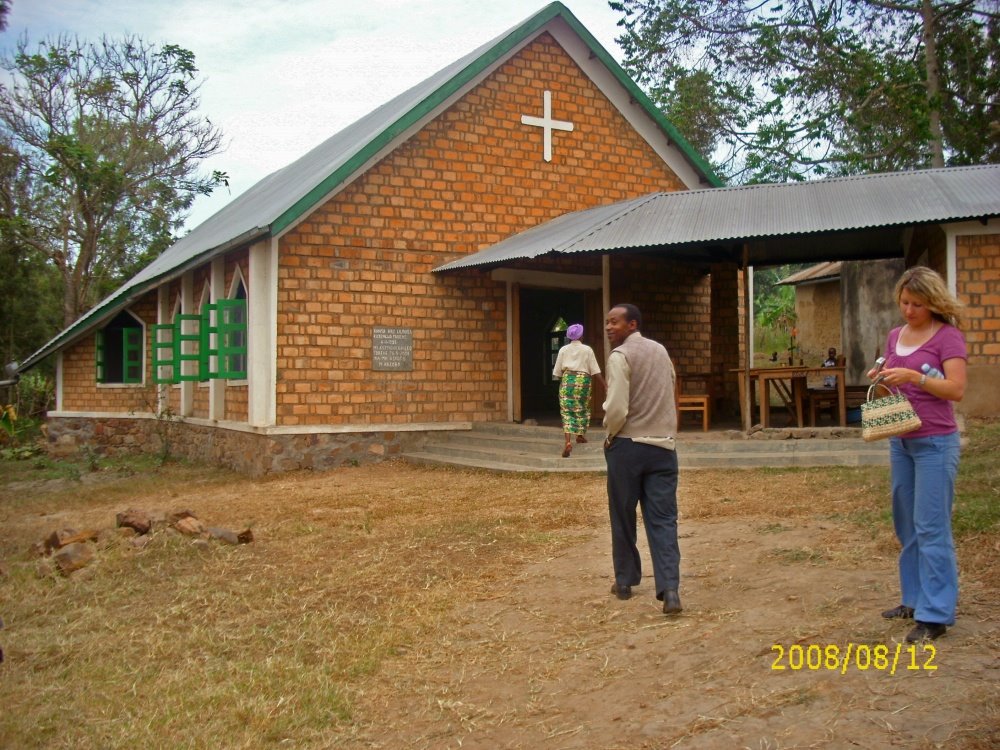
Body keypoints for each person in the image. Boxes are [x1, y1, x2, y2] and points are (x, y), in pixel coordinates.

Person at [866, 267, 967, 643]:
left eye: (917, 304)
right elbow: (887, 368)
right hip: (901, 438)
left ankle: (936, 613)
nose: (909, 311)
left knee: (931, 526)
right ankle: (913, 598)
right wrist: (880, 373)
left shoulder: (948, 338)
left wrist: (916, 378)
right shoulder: (896, 335)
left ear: (933, 302)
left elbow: (956, 389)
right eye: (905, 303)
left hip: (935, 443)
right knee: (906, 524)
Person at [602, 303, 682, 615]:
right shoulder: (661, 351)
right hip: (663, 447)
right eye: (607, 323)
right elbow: (670, 387)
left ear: (632, 324)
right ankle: (670, 589)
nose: (609, 327)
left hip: (627, 446)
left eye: (615, 322)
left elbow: (617, 407)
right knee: (663, 519)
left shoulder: (620, 356)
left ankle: (624, 581)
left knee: (623, 514)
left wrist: (610, 434)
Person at [551, 323, 605, 457]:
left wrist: (563, 383)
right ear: (581, 336)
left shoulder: (563, 349)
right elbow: (595, 370)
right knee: (583, 408)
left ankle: (568, 442)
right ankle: (580, 436)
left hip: (568, 380)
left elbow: (557, 372)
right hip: (583, 381)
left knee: (566, 411)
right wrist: (605, 385)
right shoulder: (587, 350)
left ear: (569, 336)